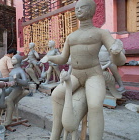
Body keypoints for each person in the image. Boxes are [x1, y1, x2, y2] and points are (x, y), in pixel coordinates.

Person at [40, 0, 126, 139]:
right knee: (56, 95)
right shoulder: (71, 36)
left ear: (92, 11)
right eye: (77, 8)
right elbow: (63, 58)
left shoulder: (101, 33)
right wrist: (49, 58)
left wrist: (116, 52)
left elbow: (119, 60)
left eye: (83, 7)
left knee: (94, 105)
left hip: (93, 74)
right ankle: (55, 134)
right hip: (75, 75)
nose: (78, 10)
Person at [0, 53, 29, 126]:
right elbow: (9, 78)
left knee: (9, 100)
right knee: (1, 95)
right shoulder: (13, 70)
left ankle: (8, 120)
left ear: (18, 61)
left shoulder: (20, 70)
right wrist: (1, 79)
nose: (12, 60)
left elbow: (25, 82)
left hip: (17, 89)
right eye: (12, 58)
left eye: (14, 59)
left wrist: (17, 79)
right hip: (11, 87)